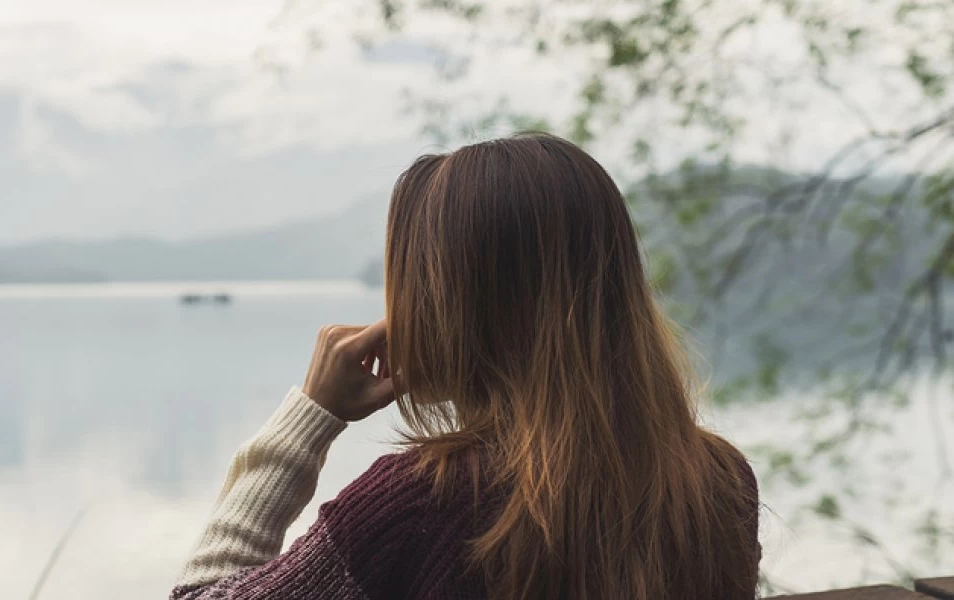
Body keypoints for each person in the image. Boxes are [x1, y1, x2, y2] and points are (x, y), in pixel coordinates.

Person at [170, 133, 761, 600]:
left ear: (453, 304)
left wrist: (307, 419)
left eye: (406, 283)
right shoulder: (718, 481)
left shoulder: (424, 502)